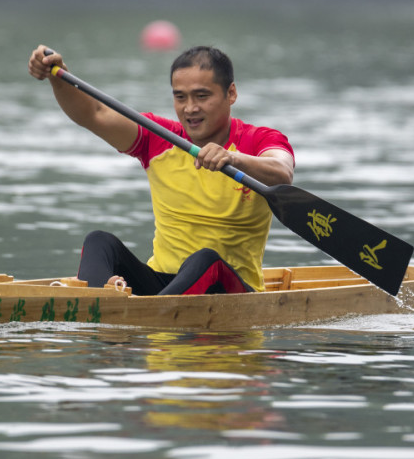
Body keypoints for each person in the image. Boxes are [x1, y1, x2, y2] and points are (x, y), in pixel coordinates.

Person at [28, 45, 295, 295]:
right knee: (99, 241)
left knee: (206, 258)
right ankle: (99, 304)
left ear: (231, 94)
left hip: (231, 288)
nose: (190, 108)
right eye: (180, 97)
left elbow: (282, 172)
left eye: (202, 96)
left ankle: (142, 315)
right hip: (162, 282)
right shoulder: (158, 136)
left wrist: (234, 159)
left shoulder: (259, 139)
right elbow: (94, 113)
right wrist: (57, 75)